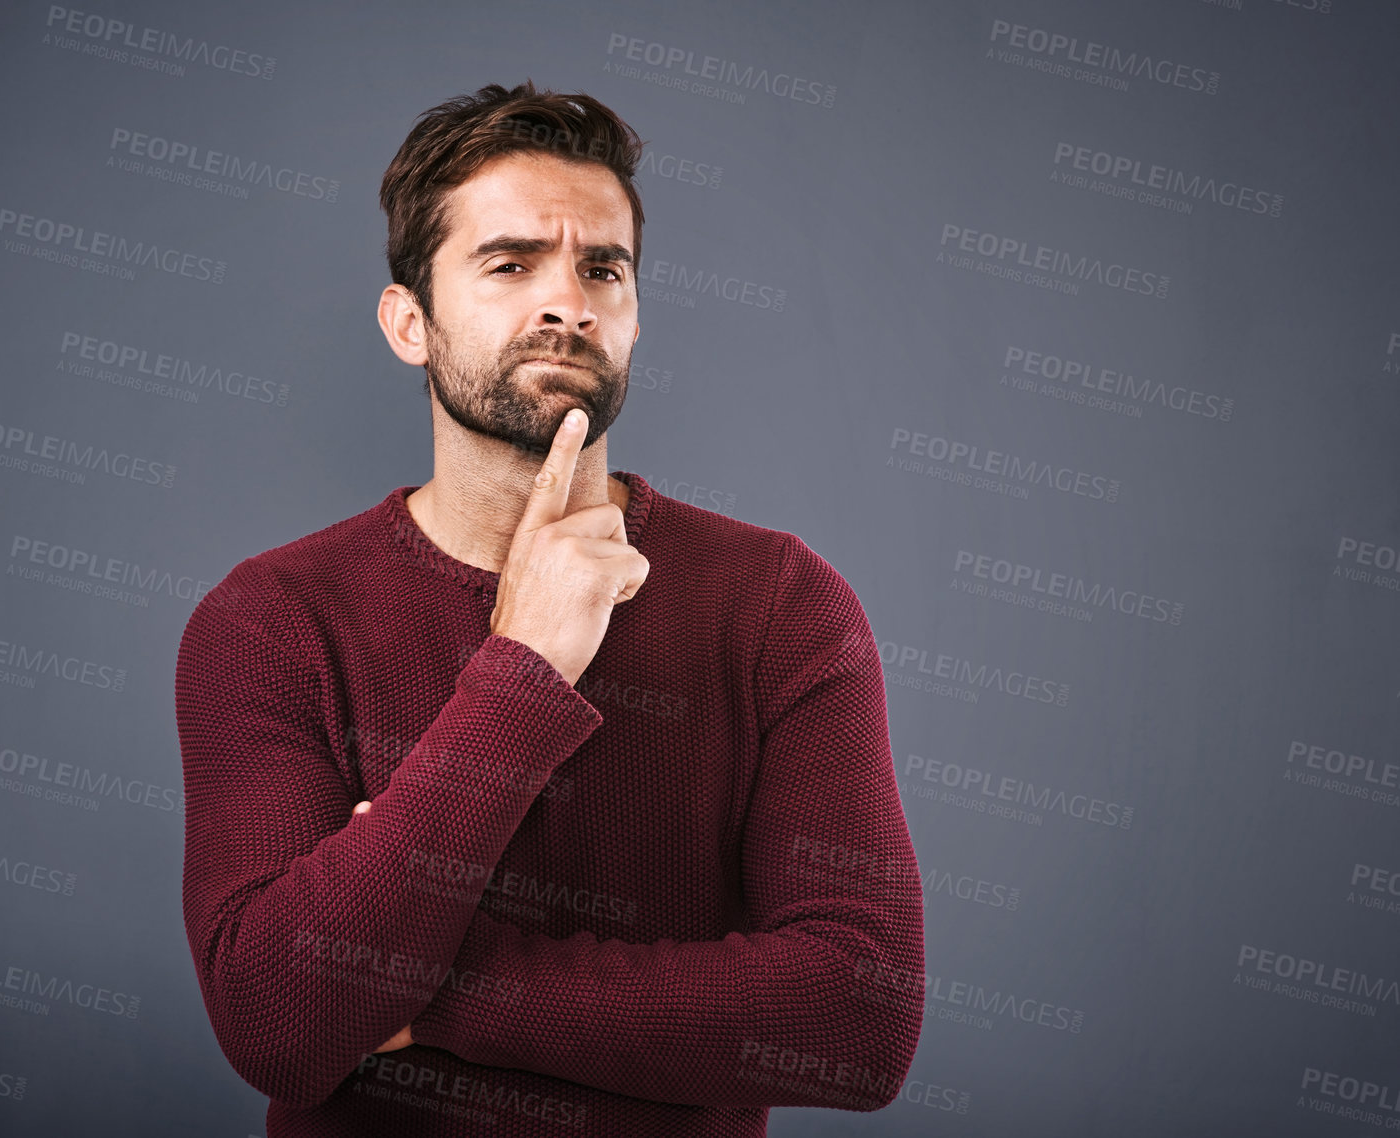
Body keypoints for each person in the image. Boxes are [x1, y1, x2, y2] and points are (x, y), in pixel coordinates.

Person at [175, 79, 925, 1137]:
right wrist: (522, 668)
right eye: (511, 263)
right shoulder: (270, 621)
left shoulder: (778, 604)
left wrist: (428, 988)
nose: (566, 300)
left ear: (633, 316)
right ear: (409, 322)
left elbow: (860, 1017)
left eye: (601, 270)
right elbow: (280, 1022)